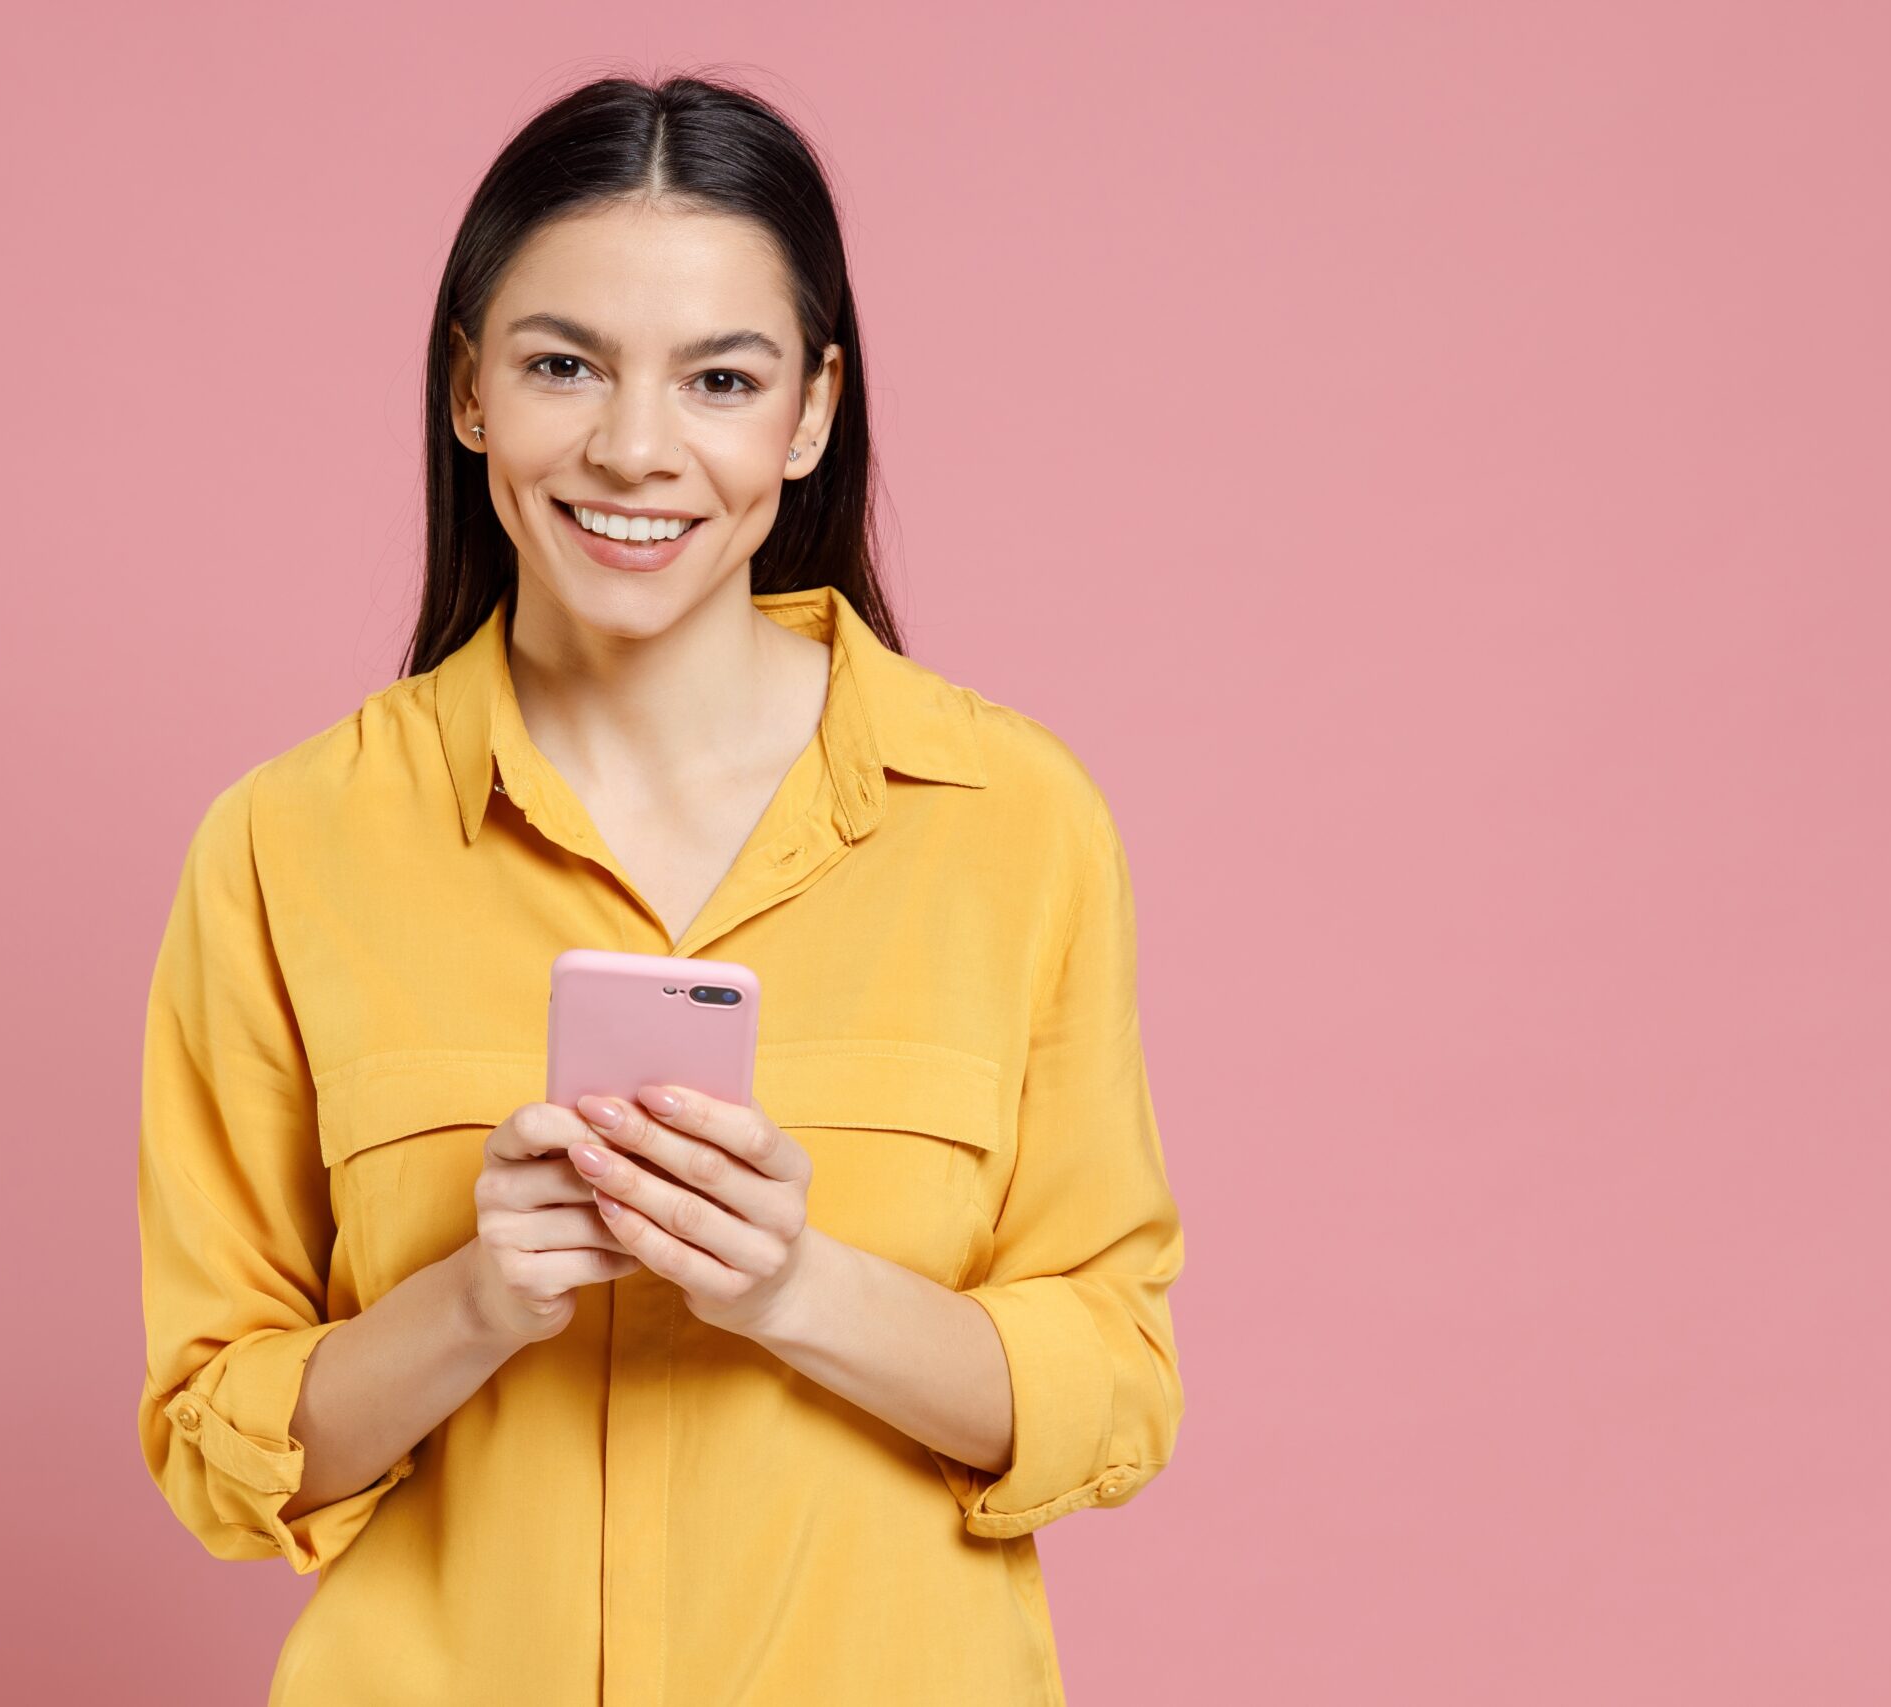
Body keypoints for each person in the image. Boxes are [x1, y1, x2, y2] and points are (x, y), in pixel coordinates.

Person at [136, 69, 1184, 1707]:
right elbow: (219, 1435)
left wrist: (795, 1289)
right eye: (563, 364)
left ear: (812, 412)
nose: (635, 448)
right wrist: (476, 1301)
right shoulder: (288, 844)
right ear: (470, 387)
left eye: (720, 377)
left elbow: (1112, 1386)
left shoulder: (1013, 823)